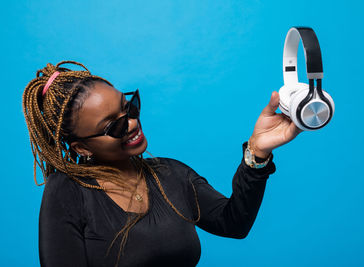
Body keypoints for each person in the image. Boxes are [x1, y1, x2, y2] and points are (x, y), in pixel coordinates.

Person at [22, 61, 302, 267]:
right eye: (114, 126)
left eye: (129, 107)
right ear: (81, 147)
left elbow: (234, 223)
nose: (132, 123)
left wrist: (257, 152)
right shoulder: (68, 192)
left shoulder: (170, 175)